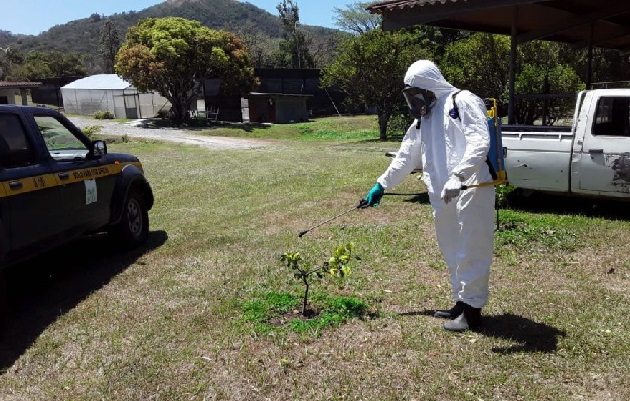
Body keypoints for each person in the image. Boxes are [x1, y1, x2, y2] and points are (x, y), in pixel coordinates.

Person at [364, 59, 495, 332]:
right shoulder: (423, 119)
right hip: (442, 194)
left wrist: (459, 176)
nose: (414, 100)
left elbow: (480, 141)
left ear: (430, 86)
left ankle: (473, 313)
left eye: (416, 93)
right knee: (452, 250)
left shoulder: (463, 101)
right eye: (410, 95)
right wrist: (382, 185)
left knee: (472, 248)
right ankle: (461, 302)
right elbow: (405, 157)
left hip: (471, 188)